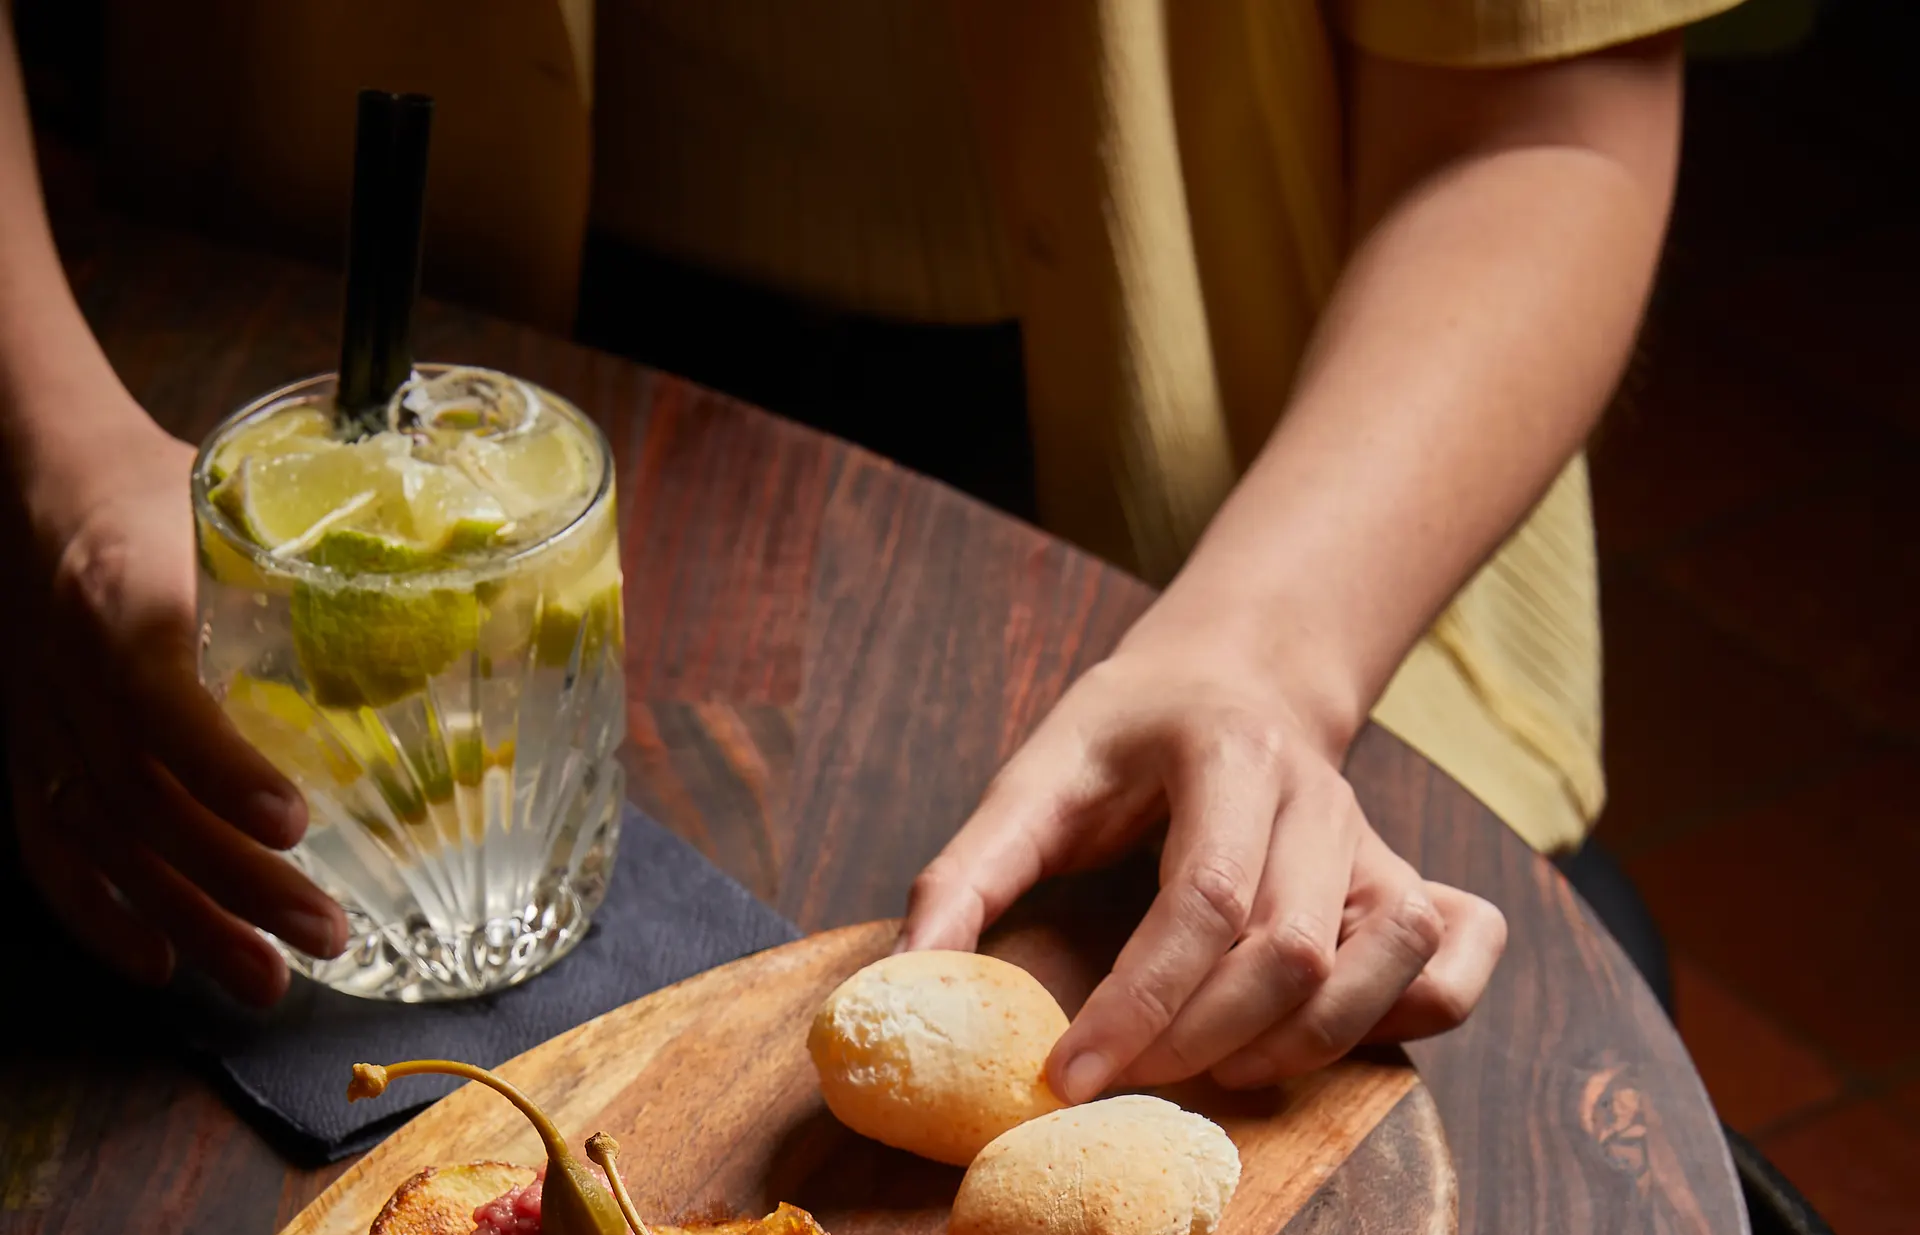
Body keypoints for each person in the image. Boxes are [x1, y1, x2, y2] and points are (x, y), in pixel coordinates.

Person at [0, 0, 1734, 1091]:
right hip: (283, 375)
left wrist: (1269, 650)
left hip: (1239, 497)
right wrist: (49, 459)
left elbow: (1542, 127)